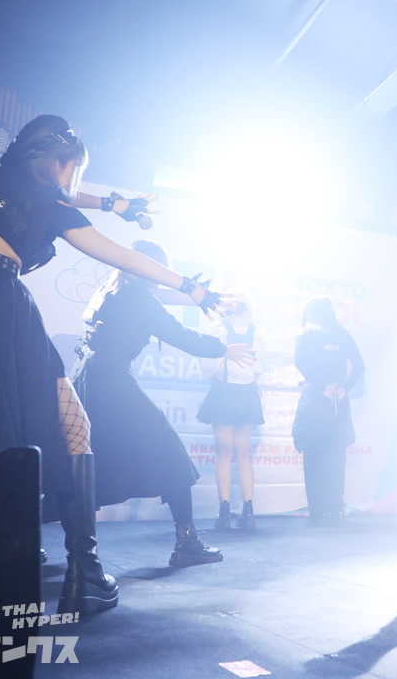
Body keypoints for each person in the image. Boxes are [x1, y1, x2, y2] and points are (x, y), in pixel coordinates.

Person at [0, 115, 222, 615]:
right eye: (76, 169)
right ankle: (84, 572)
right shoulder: (49, 202)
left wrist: (114, 204)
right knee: (72, 428)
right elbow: (120, 254)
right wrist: (192, 287)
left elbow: (50, 194)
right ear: (59, 162)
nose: (75, 180)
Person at [70, 240, 252, 566]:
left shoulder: (113, 289)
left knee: (81, 465)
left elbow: (160, 298)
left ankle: (23, 535)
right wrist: (225, 349)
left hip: (84, 378)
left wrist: (191, 296)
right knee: (171, 453)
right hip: (111, 380)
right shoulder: (140, 299)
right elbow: (182, 337)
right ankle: (187, 542)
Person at [292, 297, 365, 524]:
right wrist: (343, 388)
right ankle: (335, 509)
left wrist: (321, 385)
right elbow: (359, 365)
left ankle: (317, 510)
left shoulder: (305, 333)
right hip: (336, 403)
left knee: (314, 457)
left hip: (314, 400)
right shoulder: (341, 333)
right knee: (335, 457)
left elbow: (299, 361)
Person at [199, 292, 267, 530]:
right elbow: (260, 368)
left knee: (223, 453)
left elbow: (208, 366)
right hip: (247, 393)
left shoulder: (218, 328)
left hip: (223, 392)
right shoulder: (258, 332)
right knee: (243, 453)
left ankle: (224, 514)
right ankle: (248, 513)